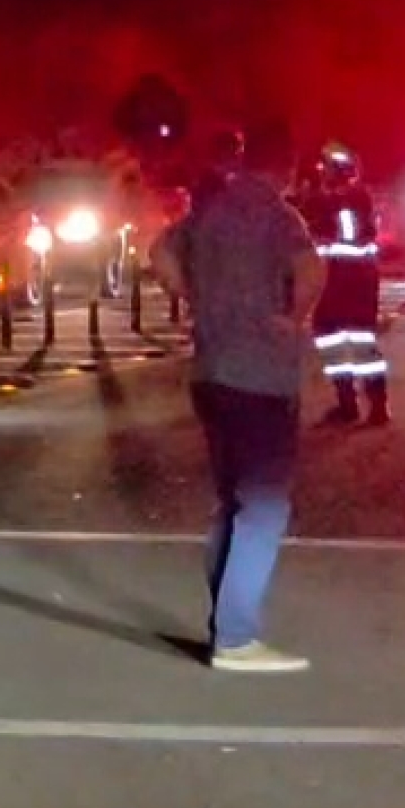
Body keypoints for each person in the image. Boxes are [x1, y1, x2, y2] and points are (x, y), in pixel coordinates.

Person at [151, 120, 326, 673]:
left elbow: (159, 252)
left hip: (212, 370)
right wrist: (294, 320)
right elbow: (311, 269)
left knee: (231, 503)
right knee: (265, 508)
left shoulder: (209, 212)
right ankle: (236, 637)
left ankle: (225, 627)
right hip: (261, 376)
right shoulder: (280, 217)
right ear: (286, 168)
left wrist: (195, 297)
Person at [299, 143, 389, 426]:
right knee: (329, 336)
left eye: (327, 168)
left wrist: (320, 237)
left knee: (360, 341)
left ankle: (376, 406)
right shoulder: (337, 199)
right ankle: (347, 403)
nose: (323, 173)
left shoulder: (352, 199)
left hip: (352, 280)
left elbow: (348, 238)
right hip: (338, 279)